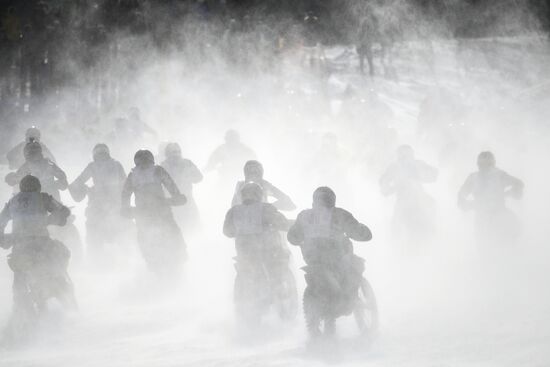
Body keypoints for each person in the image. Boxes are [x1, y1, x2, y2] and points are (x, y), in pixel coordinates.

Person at [288, 187, 372, 338]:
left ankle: (318, 328)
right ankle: (350, 299)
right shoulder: (339, 214)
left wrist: (302, 239)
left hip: (312, 260)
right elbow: (357, 231)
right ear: (332, 200)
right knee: (355, 265)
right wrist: (364, 232)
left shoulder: (304, 215)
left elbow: (292, 237)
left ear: (314, 201)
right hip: (334, 259)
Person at [0, 175, 76, 342]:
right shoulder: (43, 198)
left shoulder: (13, 202)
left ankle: (17, 319)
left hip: (20, 247)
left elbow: (1, 221)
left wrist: (4, 239)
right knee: (61, 259)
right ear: (38, 186)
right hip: (42, 245)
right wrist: (50, 220)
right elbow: (64, 211)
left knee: (19, 283)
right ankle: (70, 309)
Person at [223, 183, 296, 325]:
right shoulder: (266, 209)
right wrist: (294, 224)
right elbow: (282, 223)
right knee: (279, 269)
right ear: (260, 195)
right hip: (269, 253)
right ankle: (281, 299)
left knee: (243, 273)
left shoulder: (233, 211)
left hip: (244, 255)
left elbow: (227, 232)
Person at [121, 150, 186, 276]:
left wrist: (176, 198)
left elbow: (173, 188)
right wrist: (126, 208)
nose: (144, 164)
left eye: (146, 161)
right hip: (151, 214)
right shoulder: (142, 174)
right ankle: (157, 264)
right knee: (149, 239)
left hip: (158, 212)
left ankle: (174, 261)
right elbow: (125, 195)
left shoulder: (151, 172)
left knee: (173, 234)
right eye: (142, 161)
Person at [69, 144, 127, 260]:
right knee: (118, 230)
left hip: (102, 204)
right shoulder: (115, 164)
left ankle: (97, 260)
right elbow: (125, 183)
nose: (101, 157)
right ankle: (122, 257)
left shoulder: (94, 166)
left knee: (95, 231)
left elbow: (78, 182)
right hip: (110, 204)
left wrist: (87, 189)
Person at [458, 151, 524, 251]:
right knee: (485, 249)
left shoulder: (499, 175)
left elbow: (519, 183)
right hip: (482, 219)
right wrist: (465, 203)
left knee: (510, 239)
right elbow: (461, 194)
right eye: (482, 164)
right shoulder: (473, 178)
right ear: (478, 165)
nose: (485, 167)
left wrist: (510, 193)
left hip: (500, 215)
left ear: (493, 164)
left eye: (487, 164)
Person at [379, 145, 438, 252]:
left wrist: (420, 176)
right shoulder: (394, 167)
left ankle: (430, 239)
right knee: (397, 224)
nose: (405, 157)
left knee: (430, 208)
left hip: (419, 197)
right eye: (402, 155)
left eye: (408, 154)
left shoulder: (418, 164)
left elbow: (434, 174)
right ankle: (398, 246)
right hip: (403, 199)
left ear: (412, 155)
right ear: (398, 155)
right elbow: (384, 182)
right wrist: (391, 188)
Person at [161, 143, 203, 234]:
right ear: (167, 154)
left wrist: (188, 177)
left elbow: (199, 177)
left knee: (194, 227)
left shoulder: (187, 163)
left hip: (188, 200)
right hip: (172, 203)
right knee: (175, 228)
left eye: (178, 152)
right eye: (173, 152)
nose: (176, 154)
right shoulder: (163, 167)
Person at [231, 160, 295, 211]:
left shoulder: (265, 185)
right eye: (250, 171)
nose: (253, 174)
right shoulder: (240, 186)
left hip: (262, 220)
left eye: (256, 171)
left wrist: (268, 207)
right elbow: (233, 208)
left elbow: (289, 203)